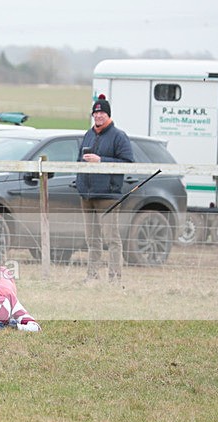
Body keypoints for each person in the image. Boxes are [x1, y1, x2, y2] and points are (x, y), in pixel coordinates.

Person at [76, 94, 134, 283]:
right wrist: (80, 182)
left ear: (108, 115)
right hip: (87, 195)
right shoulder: (88, 134)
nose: (98, 116)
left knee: (112, 239)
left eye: (102, 113)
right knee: (92, 239)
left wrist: (101, 160)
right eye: (96, 112)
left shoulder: (119, 136)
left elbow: (128, 163)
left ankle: (114, 277)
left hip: (108, 196)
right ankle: (92, 275)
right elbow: (78, 161)